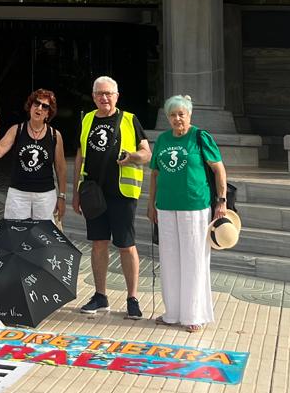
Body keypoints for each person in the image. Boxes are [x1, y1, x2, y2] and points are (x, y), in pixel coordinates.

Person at [71, 74, 151, 318]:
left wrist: (133, 157)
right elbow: (80, 155)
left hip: (122, 193)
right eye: (99, 93)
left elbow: (147, 153)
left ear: (117, 96)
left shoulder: (129, 119)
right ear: (93, 96)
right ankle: (100, 295)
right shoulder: (87, 119)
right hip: (94, 193)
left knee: (126, 245)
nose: (104, 98)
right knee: (98, 243)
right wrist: (75, 191)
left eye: (108, 93)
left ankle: (132, 298)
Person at [148, 94, 227, 332]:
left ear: (189, 115)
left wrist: (220, 201)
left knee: (193, 259)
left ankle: (194, 314)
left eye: (181, 114)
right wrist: (151, 203)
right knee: (170, 259)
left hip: (195, 206)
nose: (177, 119)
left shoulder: (200, 137)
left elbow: (219, 170)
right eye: (172, 115)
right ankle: (172, 312)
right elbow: (155, 173)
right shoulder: (162, 139)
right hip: (166, 205)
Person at [0, 88, 67, 222]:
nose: (39, 108)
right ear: (30, 107)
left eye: (45, 106)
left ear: (48, 113)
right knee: (15, 235)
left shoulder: (54, 135)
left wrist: (62, 196)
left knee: (43, 237)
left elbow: (61, 168)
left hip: (45, 195)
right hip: (18, 194)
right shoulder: (17, 130)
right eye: (36, 103)